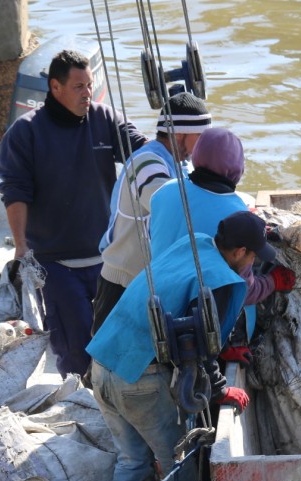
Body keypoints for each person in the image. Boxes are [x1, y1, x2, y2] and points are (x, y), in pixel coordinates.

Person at [87, 211, 276, 481]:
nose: (252, 264)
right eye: (252, 255)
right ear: (238, 252)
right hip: (140, 379)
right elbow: (202, 349)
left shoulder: (193, 244)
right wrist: (221, 392)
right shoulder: (220, 282)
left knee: (131, 461)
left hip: (102, 363)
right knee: (181, 463)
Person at [0, 49, 147, 381]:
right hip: (56, 266)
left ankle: (117, 407)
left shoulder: (104, 118)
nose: (87, 93)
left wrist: (173, 146)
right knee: (76, 353)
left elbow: (142, 150)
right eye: (79, 87)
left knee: (120, 346)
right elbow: (15, 191)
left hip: (109, 260)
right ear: (55, 87)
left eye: (90, 85)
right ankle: (86, 408)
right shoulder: (25, 133)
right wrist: (21, 248)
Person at [149, 127, 297, 347]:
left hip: (157, 308)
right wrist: (273, 281)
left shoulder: (164, 191)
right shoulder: (235, 215)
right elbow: (245, 292)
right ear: (237, 167)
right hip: (202, 324)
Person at [91, 92, 212, 336]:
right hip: (122, 285)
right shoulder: (147, 163)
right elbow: (170, 205)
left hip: (146, 283)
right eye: (201, 137)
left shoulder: (178, 164)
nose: (205, 145)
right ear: (180, 134)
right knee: (106, 369)